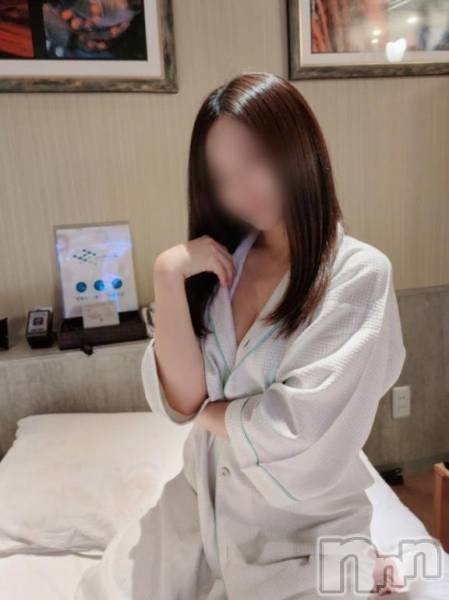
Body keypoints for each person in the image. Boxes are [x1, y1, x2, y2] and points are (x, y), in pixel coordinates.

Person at [74, 71, 407, 599]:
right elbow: (181, 397)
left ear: (298, 145)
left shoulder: (359, 275)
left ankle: (363, 559)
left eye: (254, 159)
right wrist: (167, 273)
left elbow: (298, 427)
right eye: (222, 175)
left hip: (303, 528)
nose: (241, 189)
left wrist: (206, 414)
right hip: (197, 506)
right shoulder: (221, 264)